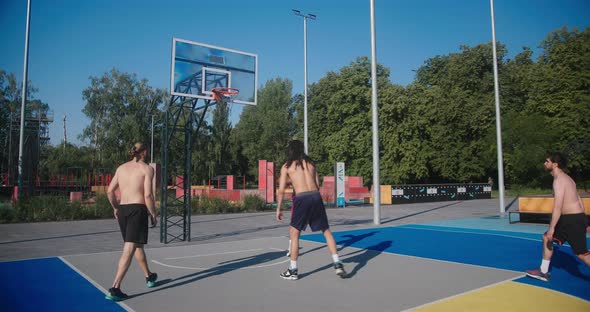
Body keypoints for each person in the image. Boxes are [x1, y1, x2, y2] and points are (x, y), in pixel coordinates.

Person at [276, 140, 346, 280]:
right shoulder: (311, 163)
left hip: (302, 199)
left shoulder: (287, 166)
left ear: (290, 150)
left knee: (294, 234)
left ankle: (293, 270)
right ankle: (337, 262)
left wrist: (278, 208)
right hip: (316, 197)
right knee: (326, 231)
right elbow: (317, 184)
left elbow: (281, 189)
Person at [105, 142, 159, 301]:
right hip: (137, 209)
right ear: (145, 152)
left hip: (123, 209)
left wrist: (115, 208)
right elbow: (148, 195)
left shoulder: (121, 168)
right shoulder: (147, 169)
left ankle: (149, 276)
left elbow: (110, 191)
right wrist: (153, 214)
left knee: (136, 245)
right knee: (129, 248)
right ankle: (115, 287)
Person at [525, 152, 590, 282]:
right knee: (546, 238)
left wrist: (552, 228)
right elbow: (578, 199)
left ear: (555, 164)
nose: (545, 163)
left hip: (572, 220)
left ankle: (543, 272)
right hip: (573, 218)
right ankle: (543, 272)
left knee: (581, 254)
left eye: (547, 161)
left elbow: (558, 207)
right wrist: (585, 221)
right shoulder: (568, 178)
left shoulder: (559, 180)